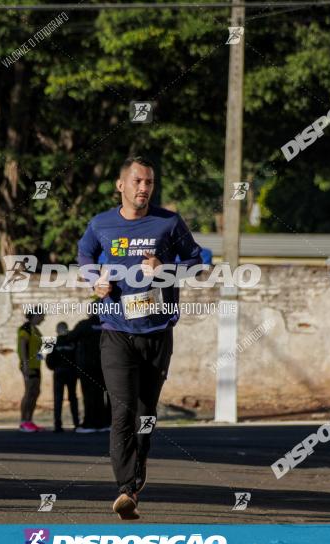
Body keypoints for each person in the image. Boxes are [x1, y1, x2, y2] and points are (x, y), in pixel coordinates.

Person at [77, 155, 203, 520]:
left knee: (145, 413)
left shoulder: (168, 223)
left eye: (149, 182)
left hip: (158, 330)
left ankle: (137, 474)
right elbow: (85, 254)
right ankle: (126, 488)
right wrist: (94, 279)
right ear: (121, 185)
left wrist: (166, 269)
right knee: (122, 410)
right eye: (137, 182)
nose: (144, 188)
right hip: (116, 330)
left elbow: (196, 262)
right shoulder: (101, 224)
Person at [61, 314, 109, 433]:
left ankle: (90, 424)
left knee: (89, 395)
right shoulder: (107, 324)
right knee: (102, 395)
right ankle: (104, 423)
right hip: (104, 366)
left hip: (87, 367)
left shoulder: (84, 325)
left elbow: (70, 338)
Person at [46, 322, 80, 433]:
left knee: (58, 399)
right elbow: (78, 357)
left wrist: (55, 368)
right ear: (67, 329)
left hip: (59, 372)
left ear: (57, 330)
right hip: (71, 372)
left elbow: (48, 361)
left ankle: (57, 425)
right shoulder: (73, 342)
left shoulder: (50, 342)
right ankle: (76, 423)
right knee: (73, 398)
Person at [16, 309, 45, 432]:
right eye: (41, 316)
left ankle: (30, 420)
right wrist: (25, 364)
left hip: (36, 366)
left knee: (36, 392)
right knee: (29, 392)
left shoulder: (36, 330)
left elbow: (39, 348)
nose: (43, 318)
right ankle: (23, 422)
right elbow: (22, 347)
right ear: (34, 315)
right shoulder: (25, 329)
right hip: (28, 366)